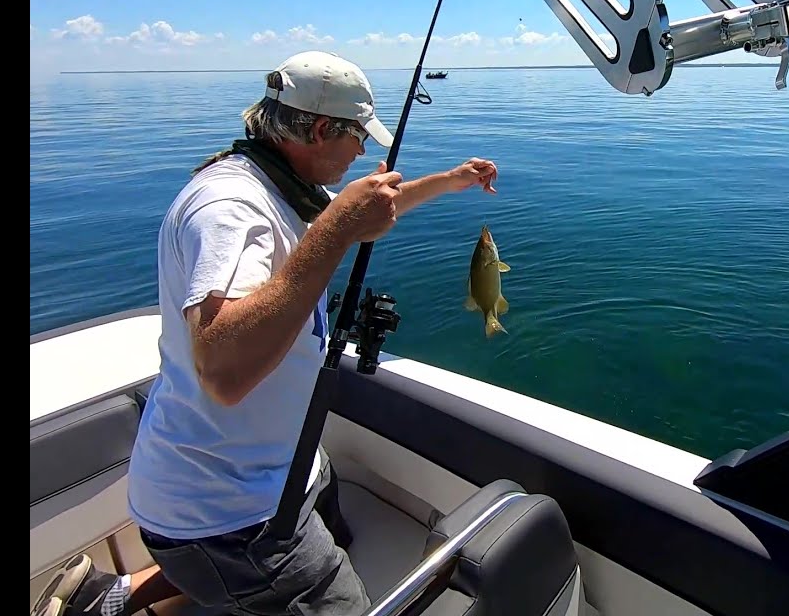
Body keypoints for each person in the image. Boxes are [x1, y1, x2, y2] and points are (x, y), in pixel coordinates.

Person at [31, 50, 499, 616]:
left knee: (326, 534)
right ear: (323, 129)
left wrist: (450, 181)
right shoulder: (231, 207)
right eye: (358, 139)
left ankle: (109, 599)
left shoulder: (279, 181)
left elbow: (361, 207)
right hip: (227, 513)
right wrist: (337, 231)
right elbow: (224, 369)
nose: (364, 153)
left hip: (266, 469)